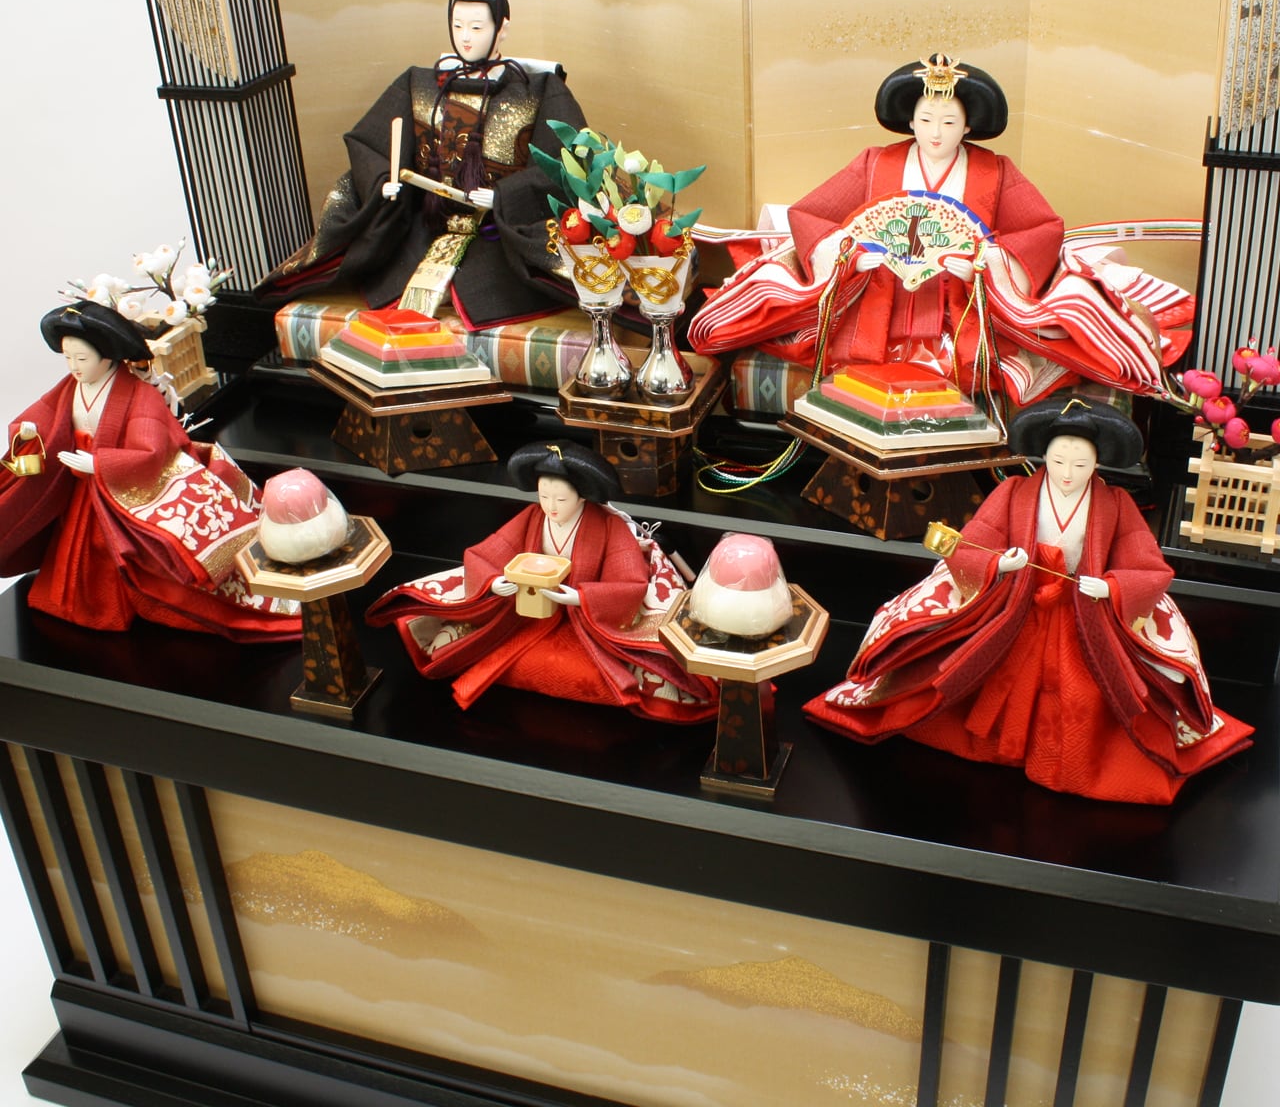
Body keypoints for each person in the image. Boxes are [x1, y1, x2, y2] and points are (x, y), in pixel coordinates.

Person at [802, 397, 1253, 804]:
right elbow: (974, 541)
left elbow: (1147, 565)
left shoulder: (1115, 503)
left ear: (1098, 462)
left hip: (1084, 615)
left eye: (1080, 463)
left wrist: (1112, 587)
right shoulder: (1015, 492)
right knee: (985, 672)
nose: (1068, 473)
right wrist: (1000, 563)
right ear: (1044, 456)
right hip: (1018, 605)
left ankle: (1071, 763)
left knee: (1081, 695)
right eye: (1058, 461)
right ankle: (995, 744)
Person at [687, 55, 1193, 404]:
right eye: (926, 120)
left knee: (980, 359)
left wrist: (986, 263)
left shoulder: (995, 171)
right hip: (879, 295)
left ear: (968, 126)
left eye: (949, 123)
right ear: (909, 121)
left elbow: (1041, 229)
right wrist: (852, 251)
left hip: (959, 302)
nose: (935, 133)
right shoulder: (875, 163)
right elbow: (811, 214)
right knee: (849, 351)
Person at [257, 0, 587, 328]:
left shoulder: (537, 90)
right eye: (458, 25)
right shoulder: (421, 83)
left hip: (499, 235)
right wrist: (384, 181)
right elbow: (370, 143)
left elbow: (566, 162)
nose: (466, 37)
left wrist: (505, 195)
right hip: (425, 226)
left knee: (497, 283)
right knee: (395, 284)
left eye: (477, 26)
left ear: (502, 28)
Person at [0, 301, 300, 641]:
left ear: (107, 356)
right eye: (68, 358)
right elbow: (44, 415)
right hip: (82, 487)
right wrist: (30, 431)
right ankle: (74, 602)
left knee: (119, 552)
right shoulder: (70, 387)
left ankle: (124, 601)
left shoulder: (139, 394)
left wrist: (100, 464)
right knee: (75, 548)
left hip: (119, 492)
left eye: (81, 359)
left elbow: (153, 449)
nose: (74, 367)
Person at [366, 440, 717, 722]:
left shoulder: (608, 525)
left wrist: (580, 598)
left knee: (614, 672)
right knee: (460, 643)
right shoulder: (533, 517)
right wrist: (495, 582)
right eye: (543, 496)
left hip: (590, 623)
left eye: (560, 499)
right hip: (527, 612)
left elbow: (628, 580)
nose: (551, 506)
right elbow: (488, 552)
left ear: (582, 495)